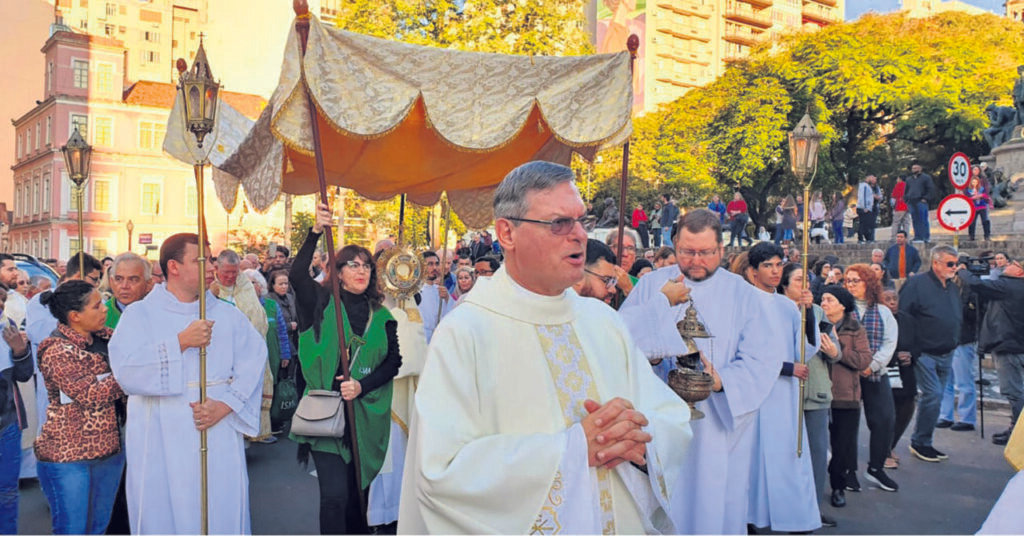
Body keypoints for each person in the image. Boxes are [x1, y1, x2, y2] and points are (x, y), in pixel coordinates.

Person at [400, 161, 691, 534]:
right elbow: (441, 472)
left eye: (581, 221)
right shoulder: (466, 331)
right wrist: (571, 450)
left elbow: (667, 416)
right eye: (559, 223)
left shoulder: (602, 321)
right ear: (507, 232)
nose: (580, 236)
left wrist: (640, 441)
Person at [619, 208, 780, 534]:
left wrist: (722, 381)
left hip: (717, 429)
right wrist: (650, 355)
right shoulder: (652, 286)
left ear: (720, 250)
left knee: (712, 508)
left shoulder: (742, 294)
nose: (696, 260)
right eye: (687, 251)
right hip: (658, 421)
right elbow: (618, 340)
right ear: (675, 244)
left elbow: (763, 359)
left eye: (705, 252)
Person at [109, 233, 267, 534]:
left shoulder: (227, 314)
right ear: (174, 266)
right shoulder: (140, 315)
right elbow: (126, 371)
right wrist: (179, 342)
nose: (212, 267)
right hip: (160, 433)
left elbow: (255, 359)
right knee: (163, 508)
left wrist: (225, 405)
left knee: (218, 505)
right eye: (202, 260)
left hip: (215, 427)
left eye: (212, 260)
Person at [291, 205, 401, 534]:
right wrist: (314, 233)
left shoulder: (382, 315)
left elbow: (393, 362)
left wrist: (361, 387)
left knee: (358, 497)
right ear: (337, 272)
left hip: (365, 416)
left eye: (366, 265)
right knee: (335, 497)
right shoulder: (321, 305)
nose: (361, 270)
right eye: (352, 264)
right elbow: (298, 275)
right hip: (326, 413)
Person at [739, 243, 820, 533]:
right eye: (768, 266)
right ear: (752, 271)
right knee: (755, 459)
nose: (775, 271)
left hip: (785, 396)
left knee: (788, 455)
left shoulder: (787, 305)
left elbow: (805, 348)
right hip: (758, 393)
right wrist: (785, 368)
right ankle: (750, 518)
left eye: (778, 265)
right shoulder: (743, 303)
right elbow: (744, 352)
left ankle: (794, 518)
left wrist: (808, 313)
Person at [35, 281, 125, 534]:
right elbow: (91, 394)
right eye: (97, 306)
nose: (104, 309)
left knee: (98, 527)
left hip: (109, 452)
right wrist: (130, 374)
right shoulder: (56, 351)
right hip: (69, 457)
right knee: (72, 529)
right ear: (75, 316)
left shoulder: (107, 337)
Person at [780, 263, 841, 528]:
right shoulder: (774, 309)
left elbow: (834, 348)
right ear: (784, 284)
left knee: (817, 454)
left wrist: (833, 351)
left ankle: (813, 508)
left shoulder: (817, 312)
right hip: (783, 393)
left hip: (814, 391)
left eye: (806, 280)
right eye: (796, 280)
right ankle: (784, 507)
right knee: (784, 455)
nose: (803, 285)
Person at [898, 245, 962, 462]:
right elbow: (903, 315)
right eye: (950, 263)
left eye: (956, 263)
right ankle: (920, 442)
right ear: (936, 263)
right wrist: (907, 347)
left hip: (947, 351)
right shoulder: (917, 284)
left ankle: (925, 440)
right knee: (932, 395)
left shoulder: (952, 287)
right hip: (924, 351)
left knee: (937, 396)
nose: (955, 268)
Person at [955, 258, 1024, 446]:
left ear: (1020, 272)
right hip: (1015, 344)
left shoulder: (1009, 285)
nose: (1007, 265)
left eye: (1014, 264)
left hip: (1008, 346)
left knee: (1014, 392)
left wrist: (962, 271)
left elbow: (977, 284)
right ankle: (1016, 428)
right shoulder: (1011, 286)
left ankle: (1018, 433)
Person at [844, 264, 899, 492]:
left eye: (856, 280)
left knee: (883, 420)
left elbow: (889, 342)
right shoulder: (843, 310)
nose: (851, 285)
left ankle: (876, 468)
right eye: (848, 280)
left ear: (868, 283)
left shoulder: (882, 311)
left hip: (875, 374)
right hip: (847, 375)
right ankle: (847, 470)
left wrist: (873, 365)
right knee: (847, 425)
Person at [817, 285, 872, 509]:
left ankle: (838, 486)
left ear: (842, 304)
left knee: (842, 447)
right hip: (818, 394)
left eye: (829, 299)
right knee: (817, 446)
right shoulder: (815, 324)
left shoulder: (855, 328)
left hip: (845, 394)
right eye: (822, 299)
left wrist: (836, 349)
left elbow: (863, 360)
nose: (824, 303)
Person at [243, 269, 292, 439]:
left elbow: (281, 332)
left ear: (260, 286)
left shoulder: (271, 305)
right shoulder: (239, 305)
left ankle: (269, 426)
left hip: (273, 355)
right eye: (246, 284)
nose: (249, 287)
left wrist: (285, 354)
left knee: (272, 390)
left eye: (253, 283)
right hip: (250, 360)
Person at [0, 285, 31, 534]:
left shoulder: (9, 327)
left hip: (8, 423)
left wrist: (20, 351)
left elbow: (23, 374)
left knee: (7, 492)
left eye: (2, 299)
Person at [936, 269, 981, 433]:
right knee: (945, 380)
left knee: (964, 381)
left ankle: (967, 418)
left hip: (963, 340)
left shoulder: (970, 292)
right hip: (946, 340)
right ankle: (945, 415)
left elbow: (972, 315)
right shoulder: (944, 290)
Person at [105, 253, 151, 329]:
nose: (124, 286)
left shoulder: (158, 315)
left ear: (148, 284)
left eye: (133, 280)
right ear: (111, 282)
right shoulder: (100, 316)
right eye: (119, 279)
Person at [417, 251, 452, 343]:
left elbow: (451, 313)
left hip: (438, 338)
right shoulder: (415, 291)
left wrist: (447, 298)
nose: (435, 268)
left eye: (437, 264)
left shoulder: (441, 290)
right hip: (420, 338)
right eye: (430, 264)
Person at [905, 163, 935, 243]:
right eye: (913, 168)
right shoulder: (909, 179)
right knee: (915, 220)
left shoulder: (926, 178)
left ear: (920, 169)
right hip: (911, 201)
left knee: (923, 219)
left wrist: (926, 198)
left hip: (921, 201)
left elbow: (931, 189)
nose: (914, 169)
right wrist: (906, 199)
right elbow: (906, 190)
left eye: (916, 168)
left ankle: (925, 237)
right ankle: (917, 236)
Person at [966, 176, 992, 241]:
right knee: (972, 222)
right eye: (973, 182)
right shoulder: (968, 190)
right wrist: (973, 197)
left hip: (982, 206)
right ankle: (971, 236)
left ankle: (987, 235)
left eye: (976, 182)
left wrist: (981, 195)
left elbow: (986, 196)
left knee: (985, 221)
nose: (974, 183)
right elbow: (966, 198)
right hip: (973, 207)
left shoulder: (982, 189)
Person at [857, 175, 879, 243]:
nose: (873, 179)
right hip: (864, 208)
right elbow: (862, 196)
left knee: (866, 224)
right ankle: (861, 238)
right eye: (871, 178)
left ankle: (867, 238)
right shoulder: (864, 186)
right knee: (863, 224)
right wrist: (865, 207)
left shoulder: (867, 186)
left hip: (867, 208)